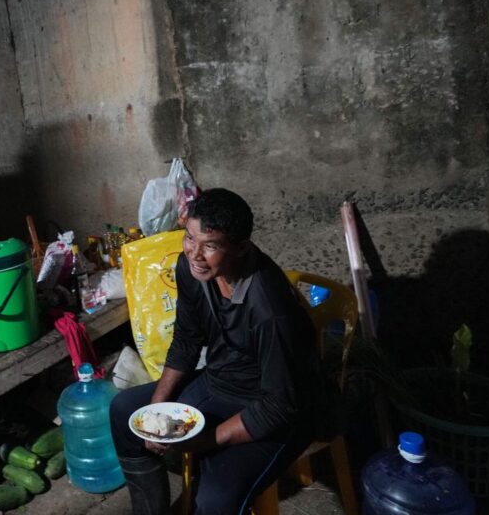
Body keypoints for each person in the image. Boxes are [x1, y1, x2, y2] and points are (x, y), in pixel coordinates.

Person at [109, 188, 330, 515]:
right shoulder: (192, 268)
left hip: (276, 409)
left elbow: (280, 407)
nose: (194, 254)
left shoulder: (269, 310)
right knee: (125, 411)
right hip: (219, 383)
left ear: (241, 247)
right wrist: (156, 407)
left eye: (210, 245)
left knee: (215, 500)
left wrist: (202, 441)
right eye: (190, 238)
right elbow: (187, 339)